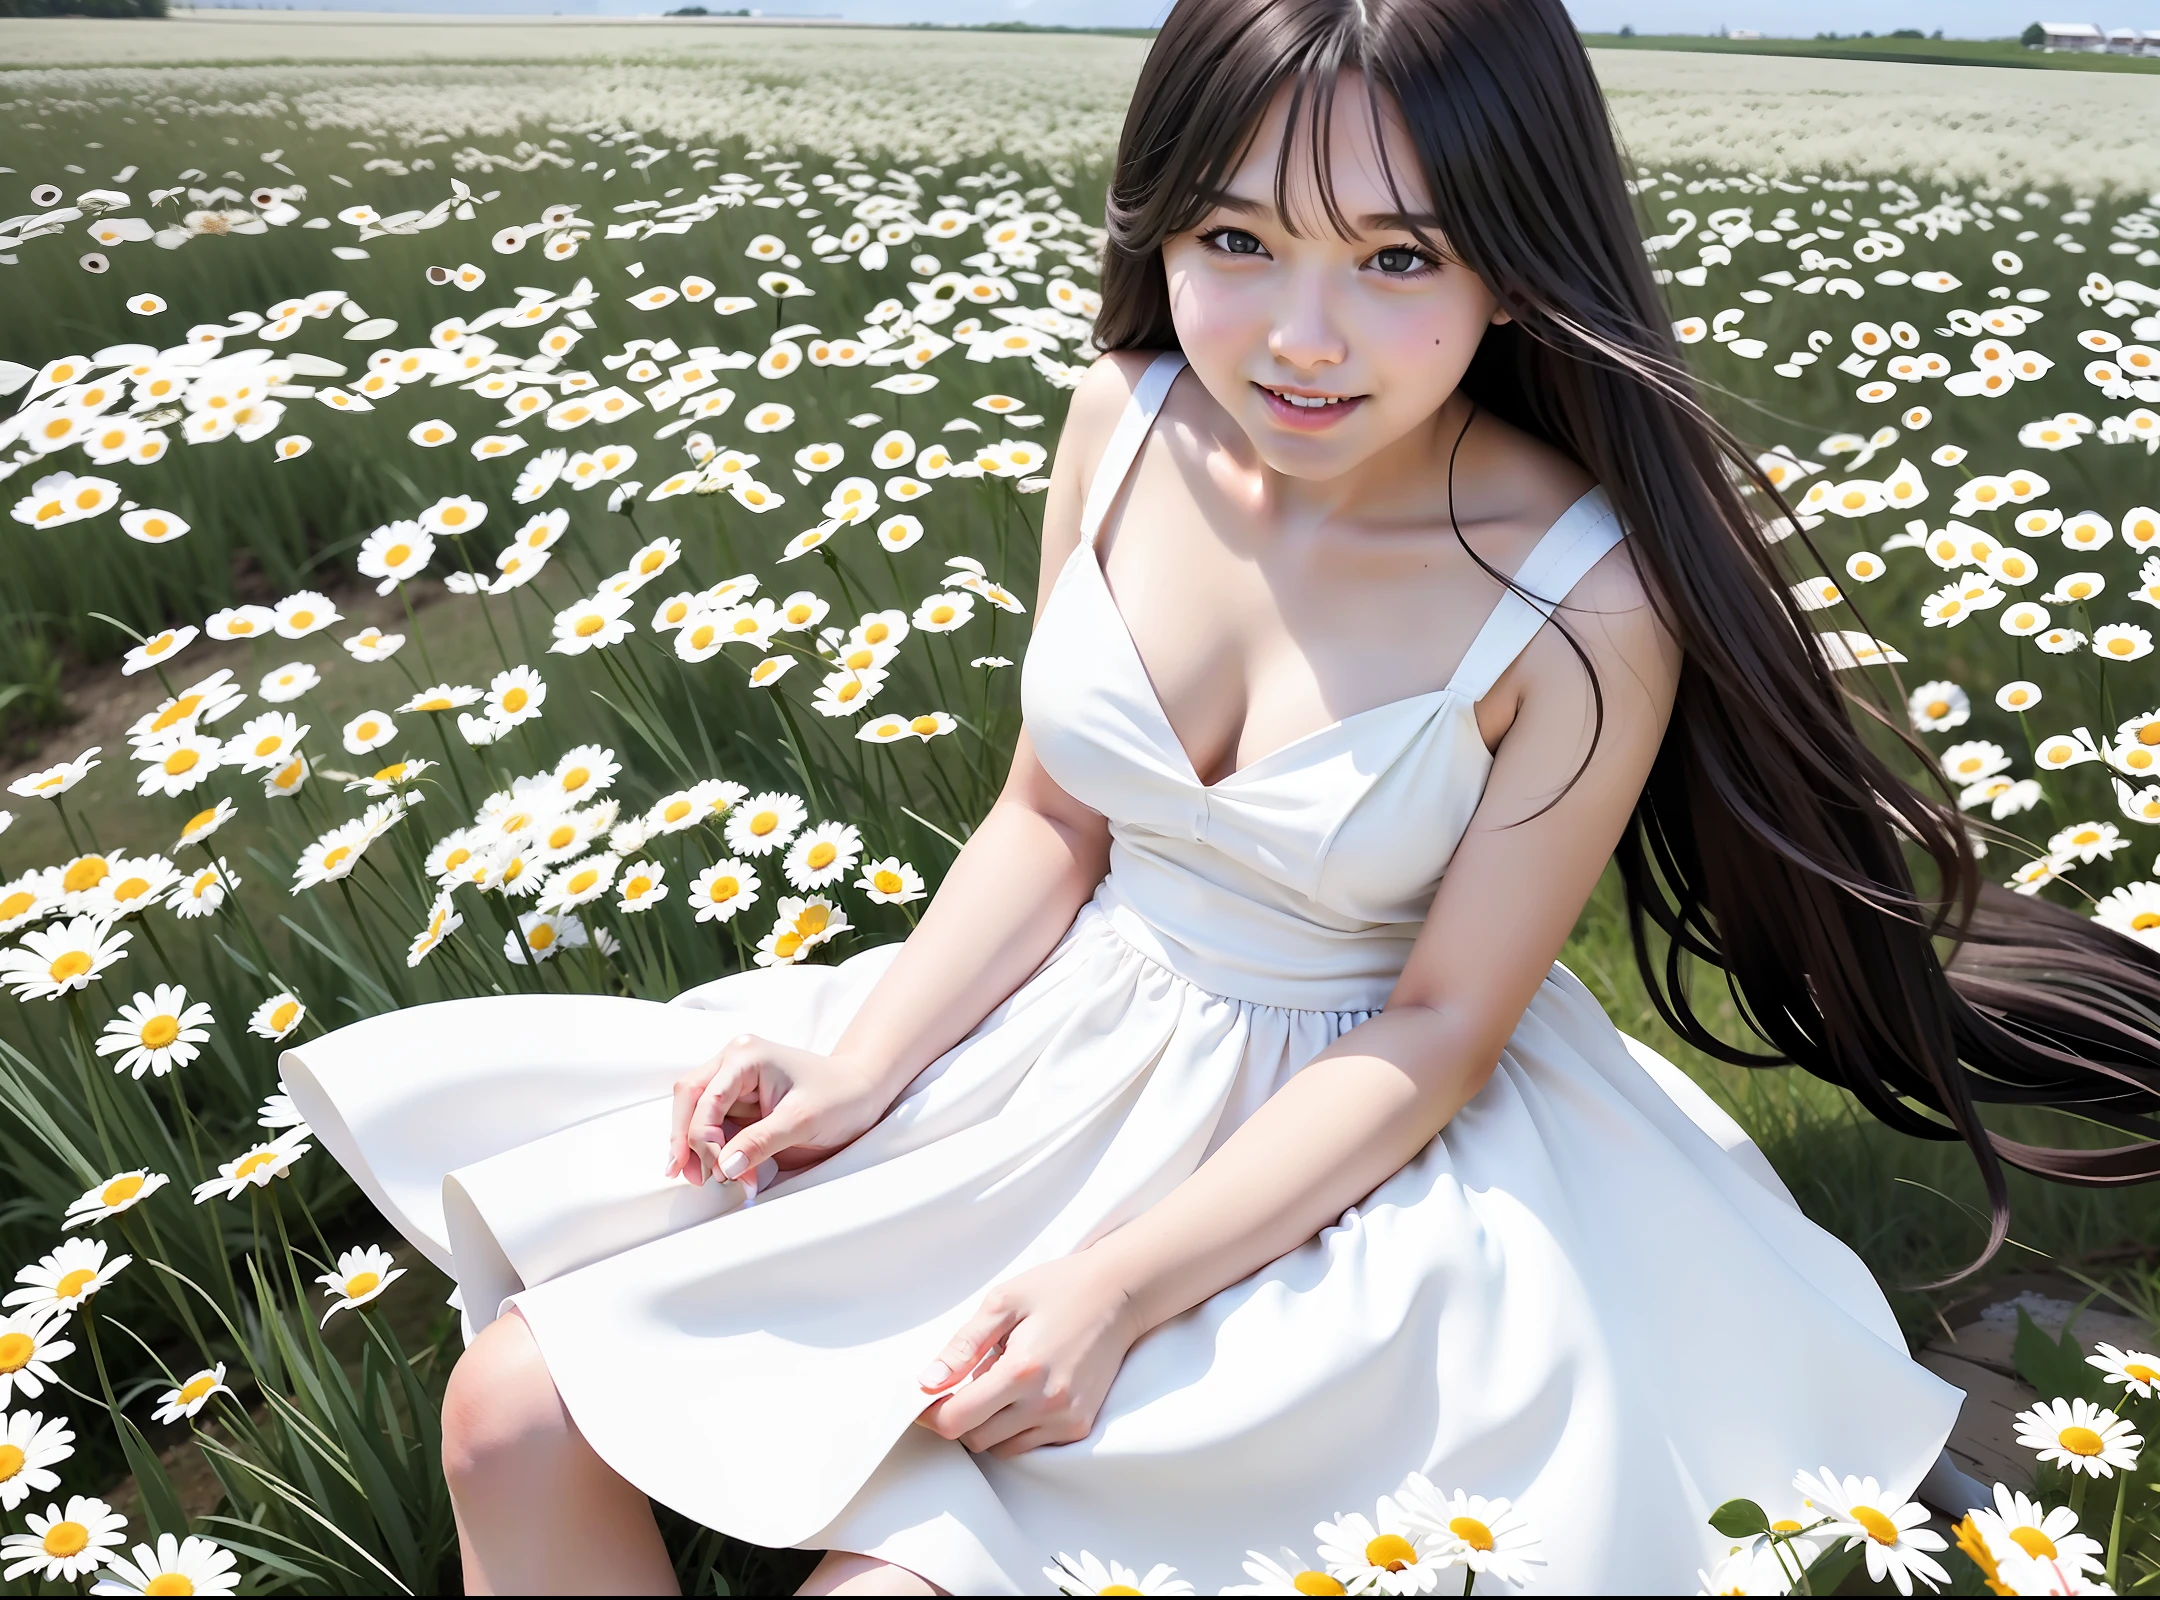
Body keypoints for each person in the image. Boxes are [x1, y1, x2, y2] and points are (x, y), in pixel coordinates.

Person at [283, 0, 2160, 1592]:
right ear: (1158, 229)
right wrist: (869, 1061)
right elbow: (1049, 817)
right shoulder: (1123, 416)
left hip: (1362, 1139)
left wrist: (1112, 1289)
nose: (1300, 339)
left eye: (1399, 257)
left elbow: (1436, 1030)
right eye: (1236, 241)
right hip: (1057, 1034)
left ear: (1518, 263)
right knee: (510, 1413)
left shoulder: (1585, 589)